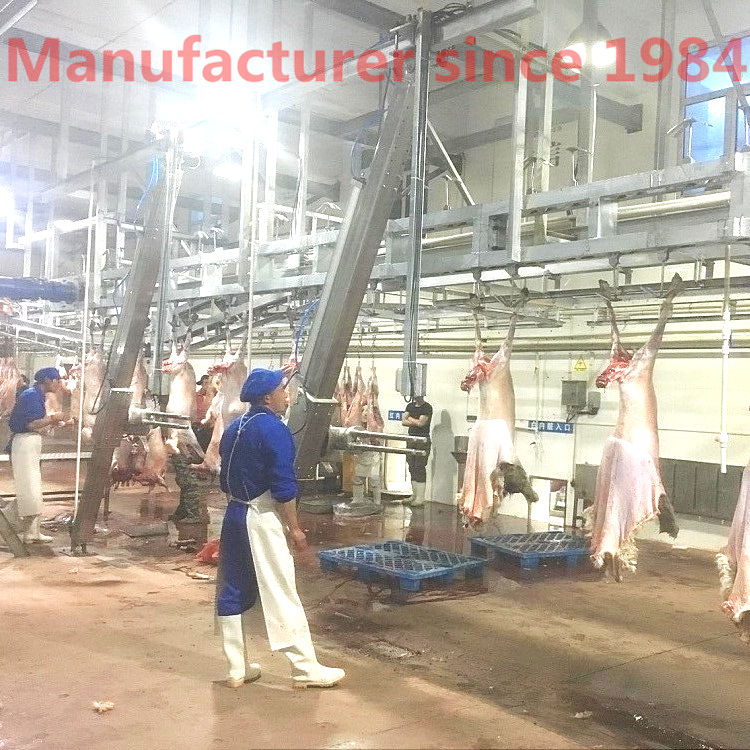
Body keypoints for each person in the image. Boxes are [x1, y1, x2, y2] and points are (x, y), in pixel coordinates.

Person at [215, 368, 345, 689]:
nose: (287, 395)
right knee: (281, 591)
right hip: (261, 517)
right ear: (267, 397)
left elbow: (223, 479)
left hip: (234, 515)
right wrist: (295, 529)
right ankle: (305, 669)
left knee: (231, 589)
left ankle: (236, 669)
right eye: (282, 390)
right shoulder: (274, 430)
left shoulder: (234, 428)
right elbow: (284, 487)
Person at [1, 367, 71, 543]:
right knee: (29, 489)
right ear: (46, 380)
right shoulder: (31, 395)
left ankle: (32, 531)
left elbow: (36, 424)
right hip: (24, 443)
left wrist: (54, 423)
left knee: (32, 489)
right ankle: (11, 525)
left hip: (29, 443)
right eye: (56, 380)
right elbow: (31, 424)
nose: (59, 384)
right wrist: (53, 419)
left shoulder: (37, 395)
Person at [401, 394, 433, 506]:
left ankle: (420, 498)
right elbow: (403, 421)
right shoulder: (409, 406)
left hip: (422, 440)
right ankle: (414, 495)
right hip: (411, 439)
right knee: (411, 466)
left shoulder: (427, 407)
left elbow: (421, 423)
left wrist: (409, 418)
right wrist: (416, 420)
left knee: (419, 467)